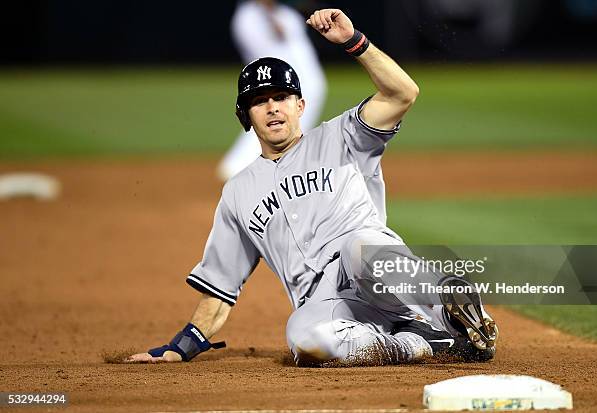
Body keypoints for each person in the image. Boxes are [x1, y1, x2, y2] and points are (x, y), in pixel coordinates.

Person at [127, 9, 498, 366]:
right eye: (259, 101)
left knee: (360, 246)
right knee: (304, 339)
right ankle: (422, 343)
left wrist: (354, 41)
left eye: (280, 97)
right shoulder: (237, 193)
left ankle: (456, 311)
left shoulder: (343, 135)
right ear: (246, 116)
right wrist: (182, 346)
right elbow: (221, 286)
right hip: (326, 304)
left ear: (300, 105)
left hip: (377, 277)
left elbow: (402, 94)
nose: (272, 108)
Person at [218, 0, 327, 181]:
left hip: (305, 80)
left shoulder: (284, 14)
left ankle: (280, 161)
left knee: (292, 116)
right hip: (262, 22)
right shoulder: (251, 18)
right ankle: (239, 165)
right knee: (283, 113)